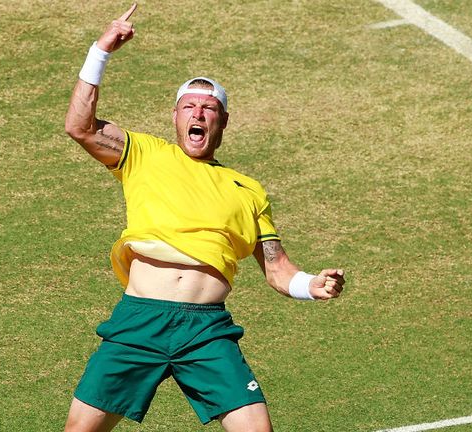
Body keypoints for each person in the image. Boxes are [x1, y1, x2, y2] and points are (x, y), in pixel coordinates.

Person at [63, 4, 345, 431]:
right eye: (188, 106)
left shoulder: (248, 190)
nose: (197, 114)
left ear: (223, 120)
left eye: (208, 108)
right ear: (175, 116)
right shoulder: (143, 153)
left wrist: (312, 286)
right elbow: (80, 127)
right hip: (141, 319)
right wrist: (101, 50)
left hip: (205, 330)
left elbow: (277, 269)